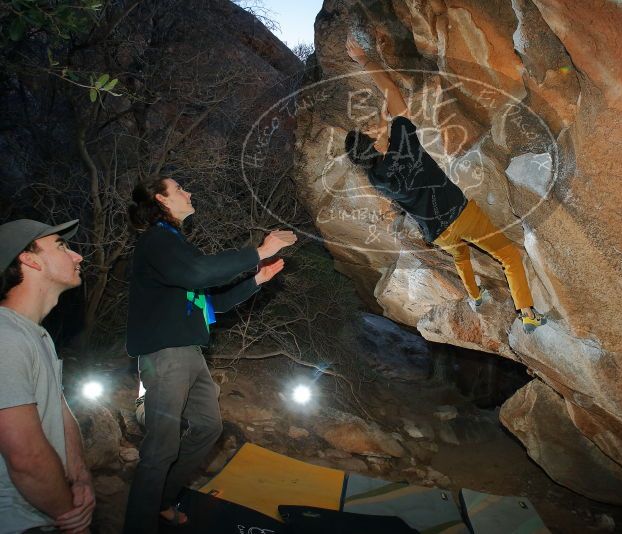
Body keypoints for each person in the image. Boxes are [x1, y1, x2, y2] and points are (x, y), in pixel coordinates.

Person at [122, 177, 297, 533]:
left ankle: (163, 501)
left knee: (207, 427)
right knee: (161, 448)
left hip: (191, 352)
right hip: (165, 354)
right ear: (161, 199)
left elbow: (209, 303)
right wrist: (258, 252)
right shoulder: (156, 239)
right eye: (180, 189)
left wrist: (256, 280)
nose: (190, 192)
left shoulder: (177, 245)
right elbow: (198, 273)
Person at [344, 35, 546, 332]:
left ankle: (475, 297)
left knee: (460, 255)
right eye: (370, 132)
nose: (374, 128)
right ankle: (528, 314)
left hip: (437, 232)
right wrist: (364, 59)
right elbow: (389, 88)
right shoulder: (403, 144)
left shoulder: (376, 179)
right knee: (509, 256)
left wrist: (385, 130)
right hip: (461, 214)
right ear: (373, 143)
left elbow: (386, 154)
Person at [0, 218, 95, 534]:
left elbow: (59, 409)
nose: (78, 256)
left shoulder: (35, 336)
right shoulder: (5, 338)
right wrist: (71, 518)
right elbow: (25, 457)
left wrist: (80, 477)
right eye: (62, 246)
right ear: (29, 259)